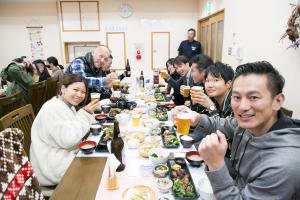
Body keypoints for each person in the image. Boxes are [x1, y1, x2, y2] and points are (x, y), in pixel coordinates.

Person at [171, 61, 300, 199]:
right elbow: (223, 124)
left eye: (253, 97)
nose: (242, 106)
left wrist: (216, 165)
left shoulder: (284, 165)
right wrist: (195, 118)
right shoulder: (250, 124)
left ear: (277, 101)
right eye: (237, 97)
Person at [30, 74, 99, 186]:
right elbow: (68, 140)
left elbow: (74, 128)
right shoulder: (52, 108)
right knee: (97, 169)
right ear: (63, 89)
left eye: (83, 92)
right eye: (76, 90)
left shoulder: (66, 105)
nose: (79, 95)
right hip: (52, 165)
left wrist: (87, 115)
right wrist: (85, 114)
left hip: (62, 154)